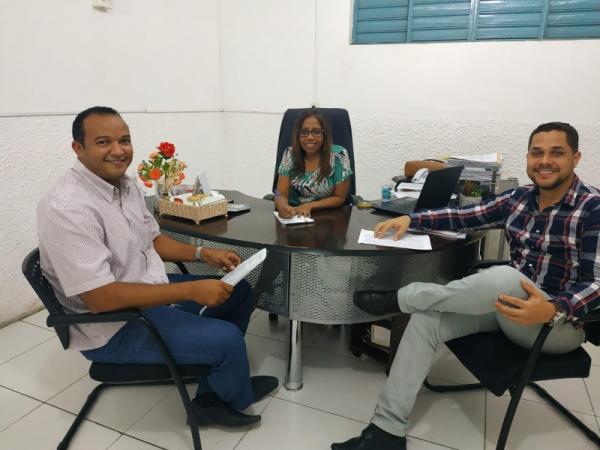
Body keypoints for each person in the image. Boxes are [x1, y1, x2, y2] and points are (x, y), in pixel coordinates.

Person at [332, 122, 600, 449]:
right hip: (508, 308)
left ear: (576, 157)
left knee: (506, 277)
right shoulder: (519, 199)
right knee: (426, 321)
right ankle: (387, 432)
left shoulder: (593, 208)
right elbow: (462, 216)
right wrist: (411, 220)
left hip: (555, 325)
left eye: (556, 153)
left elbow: (597, 282)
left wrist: (554, 309)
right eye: (537, 152)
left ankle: (403, 298)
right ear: (528, 158)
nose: (545, 161)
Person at [37, 106, 278, 428]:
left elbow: (152, 239)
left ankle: (218, 383)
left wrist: (204, 253)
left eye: (124, 140)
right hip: (114, 324)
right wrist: (192, 289)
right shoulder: (68, 208)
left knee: (239, 292)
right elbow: (100, 299)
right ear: (77, 148)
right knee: (227, 339)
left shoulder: (126, 185)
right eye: (103, 142)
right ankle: (222, 397)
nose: (118, 150)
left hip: (146, 294)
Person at [274, 110, 353, 218]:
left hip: (328, 219)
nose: (310, 137)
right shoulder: (289, 154)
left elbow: (339, 198)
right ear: (298, 134)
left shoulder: (339, 155)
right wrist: (281, 204)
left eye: (316, 132)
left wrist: (309, 206)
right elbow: (279, 193)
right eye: (304, 132)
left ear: (324, 134)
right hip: (294, 217)